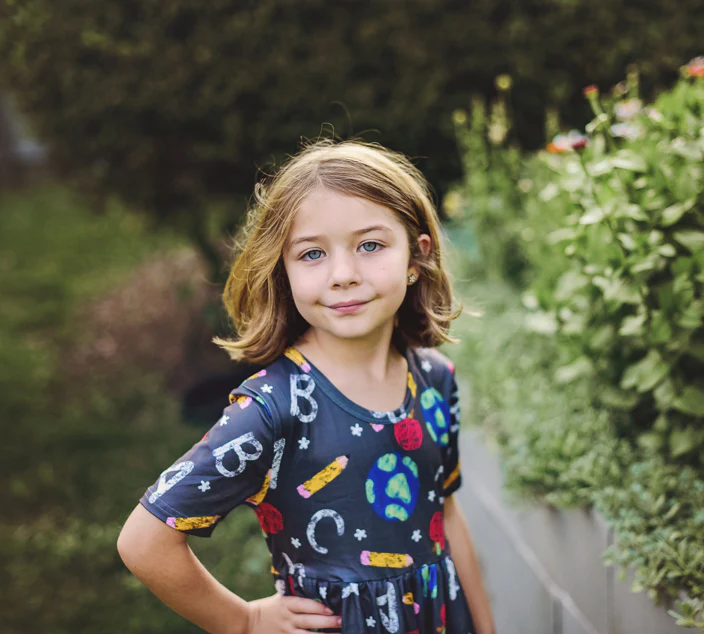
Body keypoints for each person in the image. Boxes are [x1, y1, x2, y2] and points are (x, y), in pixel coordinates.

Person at [117, 139, 495, 634]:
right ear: (284, 271)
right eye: (313, 253)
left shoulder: (434, 381)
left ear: (416, 257)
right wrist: (245, 621)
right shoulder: (274, 408)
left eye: (371, 245)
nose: (343, 275)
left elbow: (444, 512)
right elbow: (144, 541)